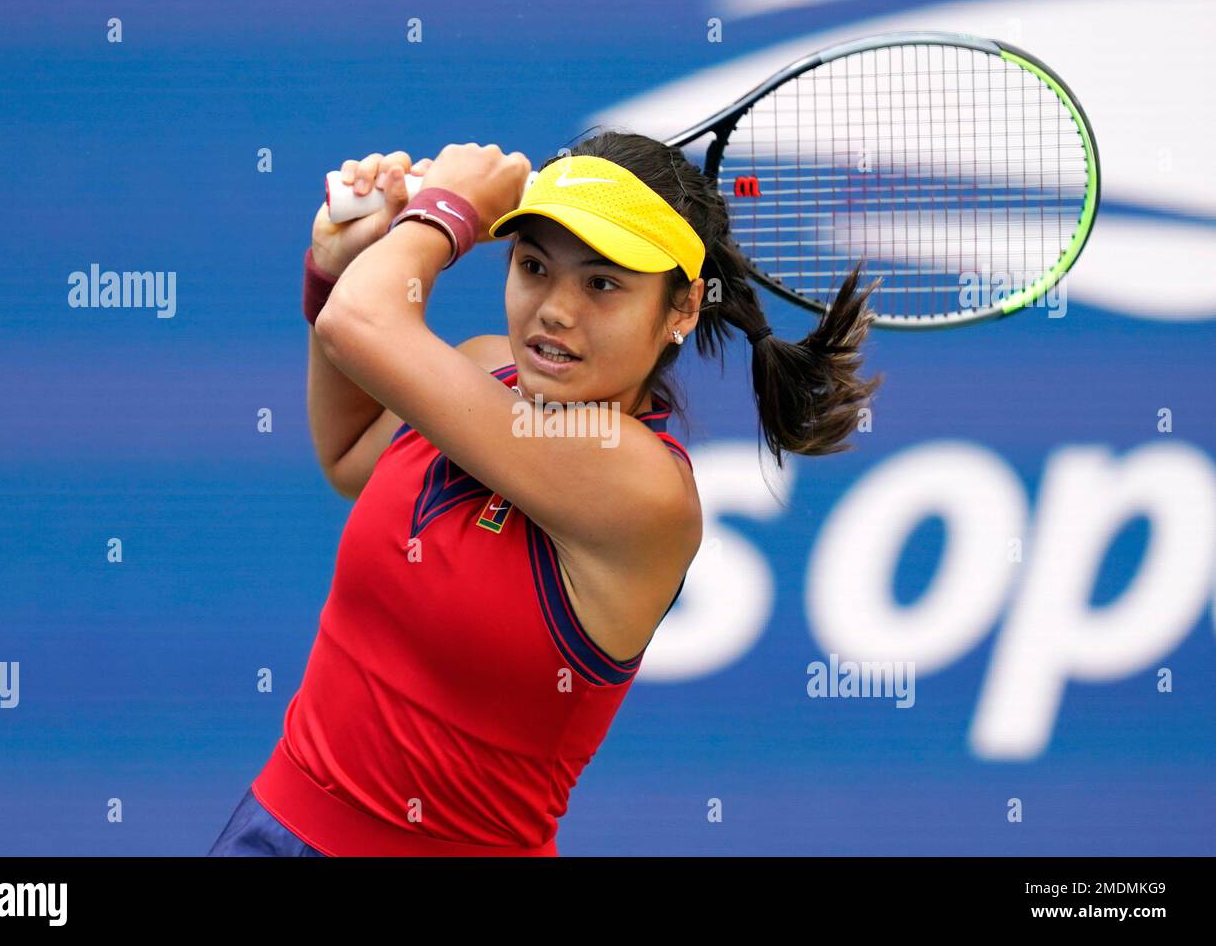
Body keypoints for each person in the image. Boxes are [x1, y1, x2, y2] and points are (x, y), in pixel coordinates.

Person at [208, 131, 881, 856]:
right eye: (533, 265)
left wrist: (445, 211)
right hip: (264, 830)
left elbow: (361, 324)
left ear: (683, 309)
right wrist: (340, 266)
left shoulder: (641, 486)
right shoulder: (483, 368)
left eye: (601, 283)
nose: (555, 310)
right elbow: (348, 455)